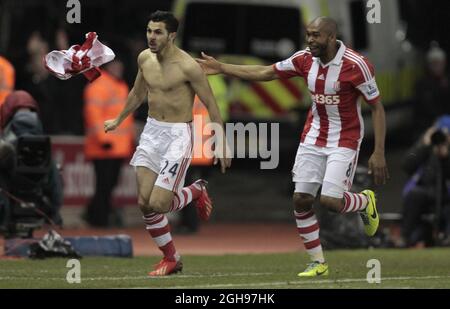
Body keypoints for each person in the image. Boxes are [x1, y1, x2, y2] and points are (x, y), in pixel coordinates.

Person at [197, 16, 388, 277]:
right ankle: (317, 262)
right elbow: (266, 72)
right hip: (313, 136)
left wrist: (378, 152)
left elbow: (377, 107)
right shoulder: (304, 59)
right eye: (308, 34)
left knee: (331, 201)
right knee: (301, 199)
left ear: (331, 38)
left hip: (345, 138)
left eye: (316, 35)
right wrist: (221, 67)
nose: (310, 40)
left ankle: (364, 202)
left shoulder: (356, 65)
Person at [104, 11, 231, 276]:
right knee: (144, 203)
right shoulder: (144, 58)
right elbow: (138, 92)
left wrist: (221, 142)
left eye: (158, 32)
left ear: (171, 35)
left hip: (177, 136)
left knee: (160, 204)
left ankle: (196, 190)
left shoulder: (188, 66)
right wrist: (118, 119)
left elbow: (211, 103)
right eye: (149, 31)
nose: (151, 36)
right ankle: (172, 258)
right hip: (151, 132)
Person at [83, 58, 135, 227]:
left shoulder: (119, 86)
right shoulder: (99, 85)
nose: (119, 67)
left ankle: (95, 215)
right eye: (116, 64)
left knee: (110, 184)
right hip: (103, 148)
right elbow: (93, 115)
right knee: (104, 185)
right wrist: (103, 140)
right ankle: (98, 219)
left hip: (118, 147)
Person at [400, 119, 450, 247]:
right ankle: (405, 237)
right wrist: (425, 146)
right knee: (414, 195)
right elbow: (406, 166)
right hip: (427, 191)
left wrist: (446, 157)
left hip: (446, 193)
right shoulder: (427, 147)